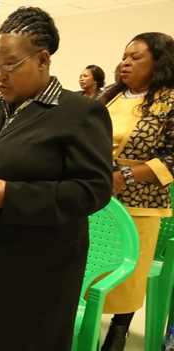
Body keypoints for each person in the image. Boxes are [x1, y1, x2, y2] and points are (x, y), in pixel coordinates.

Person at [0, 7, 113, 350]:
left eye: (9, 65)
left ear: (43, 60)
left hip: (39, 265)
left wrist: (11, 195)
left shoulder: (79, 113)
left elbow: (93, 190)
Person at [98, 32, 174, 351]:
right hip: (98, 199)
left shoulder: (169, 100)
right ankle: (84, 327)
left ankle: (117, 336)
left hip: (140, 202)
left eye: (136, 57)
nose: (125, 62)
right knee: (95, 267)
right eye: (125, 56)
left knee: (129, 273)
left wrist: (125, 175)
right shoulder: (109, 96)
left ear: (160, 63)